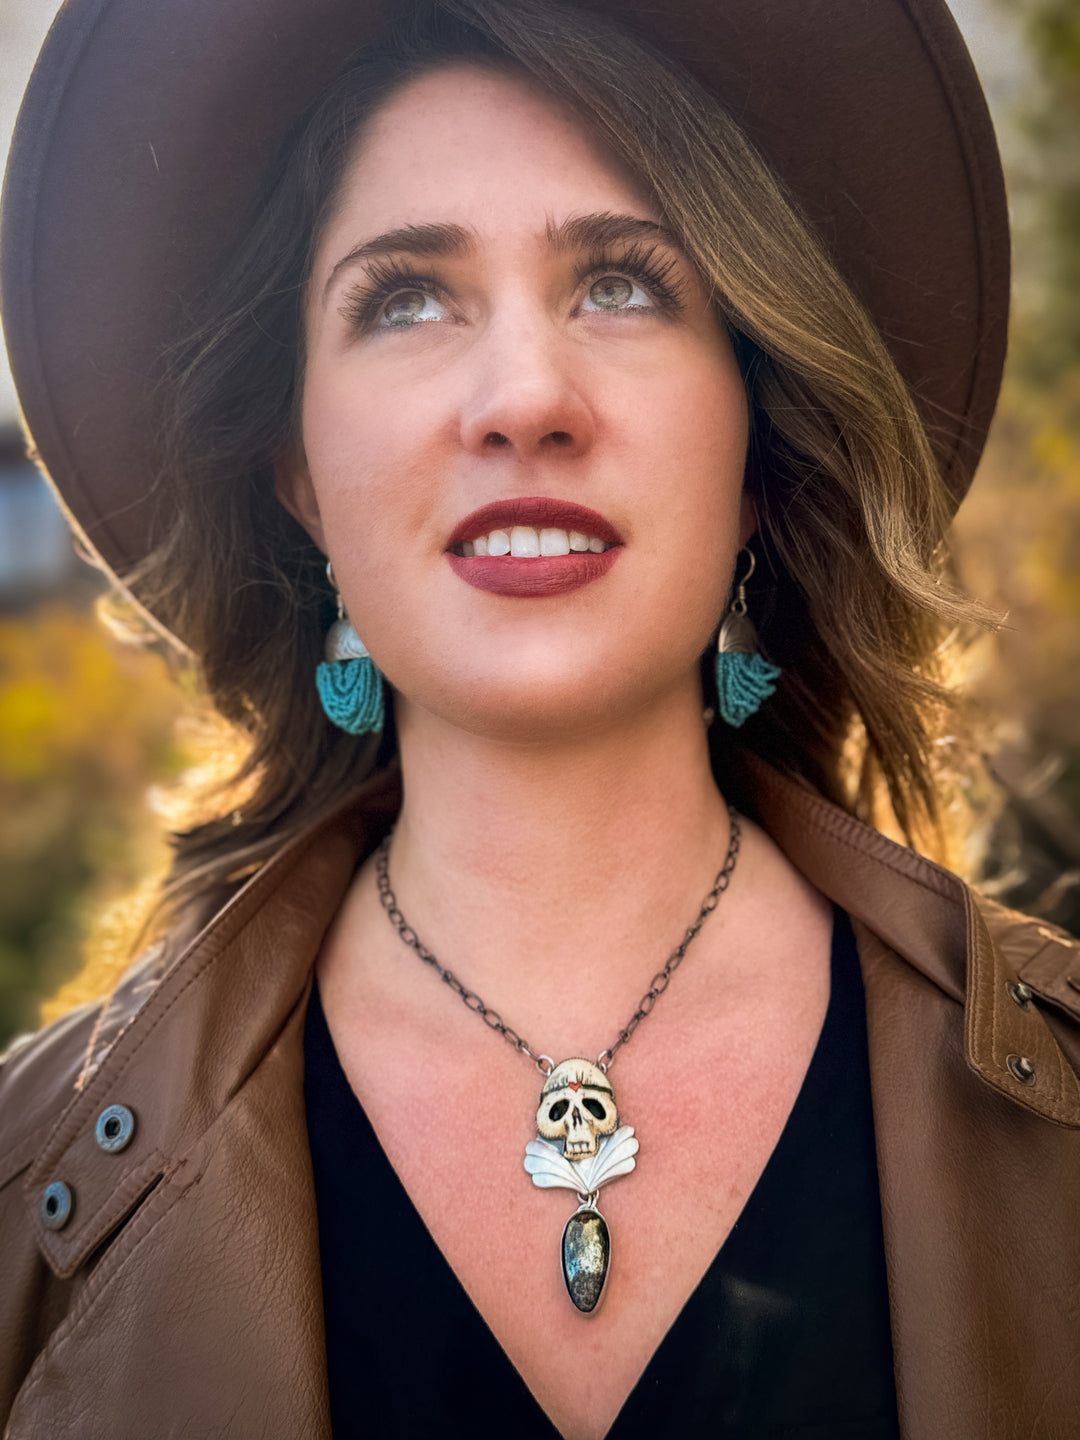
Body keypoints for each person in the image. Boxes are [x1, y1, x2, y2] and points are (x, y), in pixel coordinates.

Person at [1, 0, 1078, 1435]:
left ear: (759, 439)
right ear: (298, 472)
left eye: (625, 284)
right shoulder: (29, 1193)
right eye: (406, 298)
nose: (524, 399)